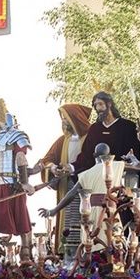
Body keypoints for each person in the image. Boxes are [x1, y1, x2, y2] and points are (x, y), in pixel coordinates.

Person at [39, 142, 126, 251]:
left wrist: (54, 210)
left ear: (94, 155)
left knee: (93, 250)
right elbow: (138, 167)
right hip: (111, 214)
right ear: (109, 155)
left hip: (91, 215)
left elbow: (71, 194)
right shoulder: (118, 166)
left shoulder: (86, 174)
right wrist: (132, 158)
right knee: (115, 250)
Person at [0, 99, 36, 261]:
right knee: (24, 227)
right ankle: (26, 260)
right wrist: (26, 183)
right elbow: (20, 158)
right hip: (11, 187)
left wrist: (36, 170)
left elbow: (7, 167)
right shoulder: (18, 137)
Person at [38, 103, 93, 259]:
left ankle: (85, 252)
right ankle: (68, 255)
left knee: (84, 219)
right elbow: (47, 159)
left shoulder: (89, 139)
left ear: (75, 118)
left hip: (85, 186)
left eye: (66, 117)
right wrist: (53, 167)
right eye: (62, 118)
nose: (63, 121)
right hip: (66, 185)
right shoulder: (63, 140)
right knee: (68, 221)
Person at [66, 92, 139, 177]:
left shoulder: (127, 126)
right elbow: (86, 155)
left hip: (121, 176)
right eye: (95, 105)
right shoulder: (94, 129)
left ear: (109, 104)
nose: (98, 108)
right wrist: (72, 167)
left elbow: (135, 154)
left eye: (100, 104)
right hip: (98, 177)